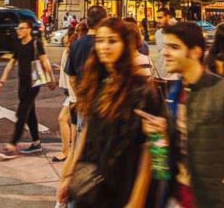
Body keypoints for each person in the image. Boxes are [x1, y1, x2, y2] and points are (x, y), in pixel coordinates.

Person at [139, 21, 224, 208]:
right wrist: (158, 137)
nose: (165, 53)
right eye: (165, 47)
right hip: (177, 199)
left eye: (174, 47)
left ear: (195, 52)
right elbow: (165, 163)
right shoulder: (175, 93)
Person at [56, 18, 163, 207]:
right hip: (93, 183)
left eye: (112, 41)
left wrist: (137, 198)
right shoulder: (97, 83)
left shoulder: (142, 91)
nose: (105, 46)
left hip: (124, 184)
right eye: (100, 41)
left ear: (125, 44)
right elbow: (87, 132)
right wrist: (69, 174)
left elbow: (151, 149)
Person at [0, 19, 56, 158]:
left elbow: (45, 61)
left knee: (22, 114)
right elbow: (10, 64)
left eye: (21, 28)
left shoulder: (36, 43)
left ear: (28, 29)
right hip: (22, 84)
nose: (18, 31)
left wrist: (52, 78)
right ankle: (36, 144)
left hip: (34, 84)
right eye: (18, 28)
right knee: (30, 114)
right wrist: (1, 81)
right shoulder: (18, 45)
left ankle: (11, 146)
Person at [64, 5, 107, 111]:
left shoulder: (76, 45)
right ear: (104, 21)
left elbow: (72, 78)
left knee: (82, 127)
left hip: (84, 100)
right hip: (104, 102)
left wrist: (81, 98)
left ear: (87, 22)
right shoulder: (106, 45)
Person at [53, 27, 77, 163]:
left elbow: (71, 76)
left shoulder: (70, 52)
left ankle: (68, 152)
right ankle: (68, 151)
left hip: (75, 95)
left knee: (66, 120)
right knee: (64, 120)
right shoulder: (68, 51)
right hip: (73, 93)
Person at [153, 8, 177, 79]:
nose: (158, 21)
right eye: (157, 18)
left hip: (174, 77)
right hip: (160, 75)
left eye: (160, 18)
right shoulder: (158, 33)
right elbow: (160, 54)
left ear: (168, 17)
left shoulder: (179, 31)